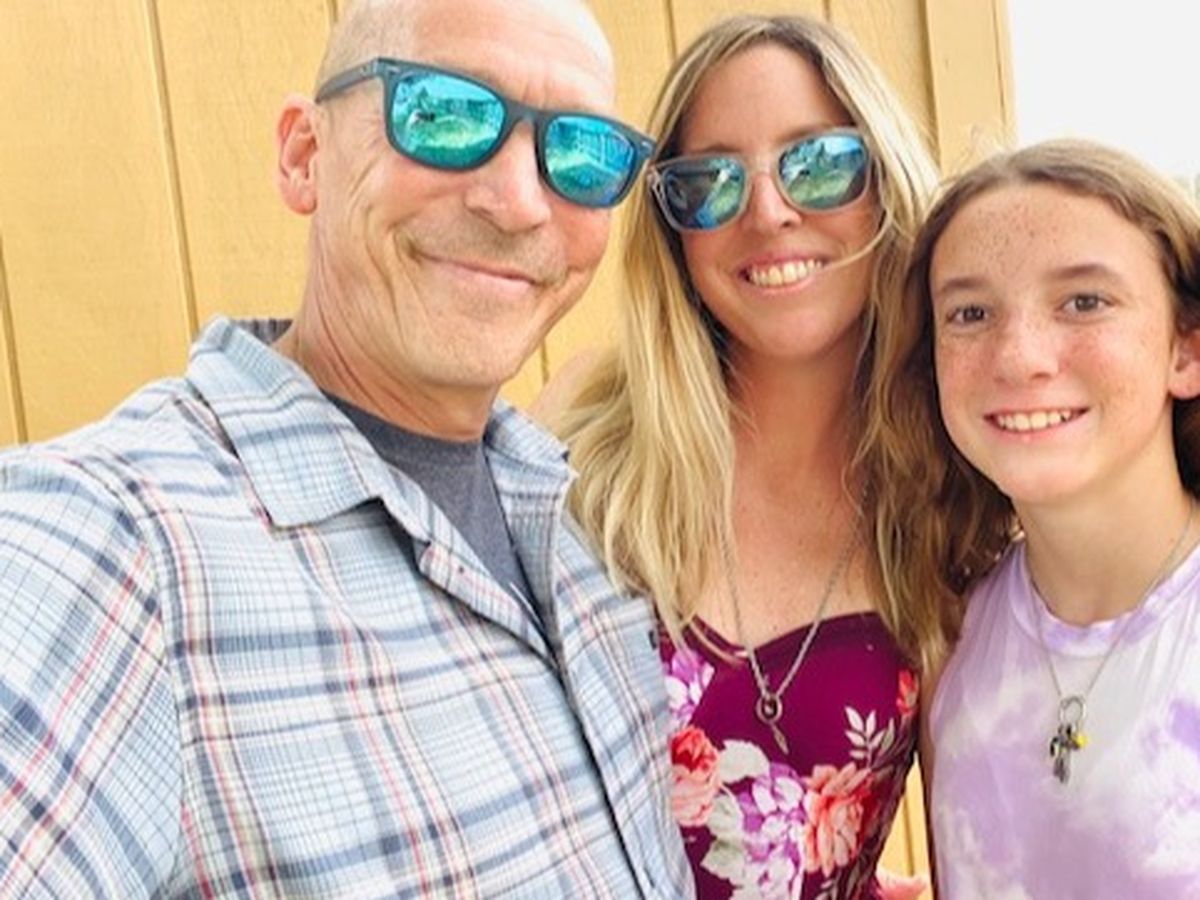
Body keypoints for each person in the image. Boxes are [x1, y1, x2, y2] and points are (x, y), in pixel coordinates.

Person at [0, 0, 691, 896]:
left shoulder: (571, 515)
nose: (521, 201)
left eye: (582, 153)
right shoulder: (116, 547)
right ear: (304, 156)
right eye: (445, 113)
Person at [542, 15, 944, 899]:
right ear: (674, 232)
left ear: (887, 182)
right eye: (709, 182)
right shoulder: (587, 438)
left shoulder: (948, 507)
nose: (767, 212)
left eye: (819, 163)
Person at [877, 139, 1200, 895]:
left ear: (1185, 350)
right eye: (971, 313)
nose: (1020, 357)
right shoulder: (948, 638)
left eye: (1084, 301)